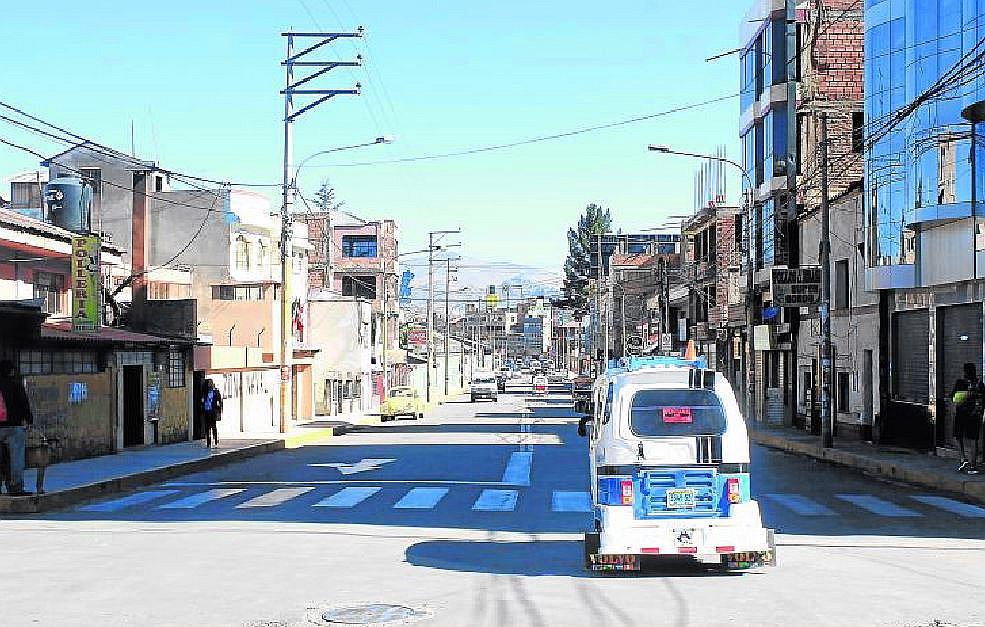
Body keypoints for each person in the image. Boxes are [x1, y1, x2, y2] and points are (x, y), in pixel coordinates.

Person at [0, 360, 34, 496]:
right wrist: (29, 420)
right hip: (14, 427)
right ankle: (16, 487)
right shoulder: (15, 384)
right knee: (16, 458)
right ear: (10, 371)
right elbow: (24, 404)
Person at [951, 362, 984, 474]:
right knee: (973, 440)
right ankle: (972, 465)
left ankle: (963, 458)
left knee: (958, 436)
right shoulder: (980, 384)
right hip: (974, 415)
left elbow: (954, 398)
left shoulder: (960, 383)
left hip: (962, 414)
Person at [200, 379, 222, 449]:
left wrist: (219, 411)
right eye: (209, 383)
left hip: (213, 411)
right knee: (207, 427)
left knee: (213, 426)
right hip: (207, 411)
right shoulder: (204, 392)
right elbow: (202, 401)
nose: (210, 384)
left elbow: (219, 402)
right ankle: (208, 441)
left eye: (211, 383)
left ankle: (215, 439)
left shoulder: (216, 392)